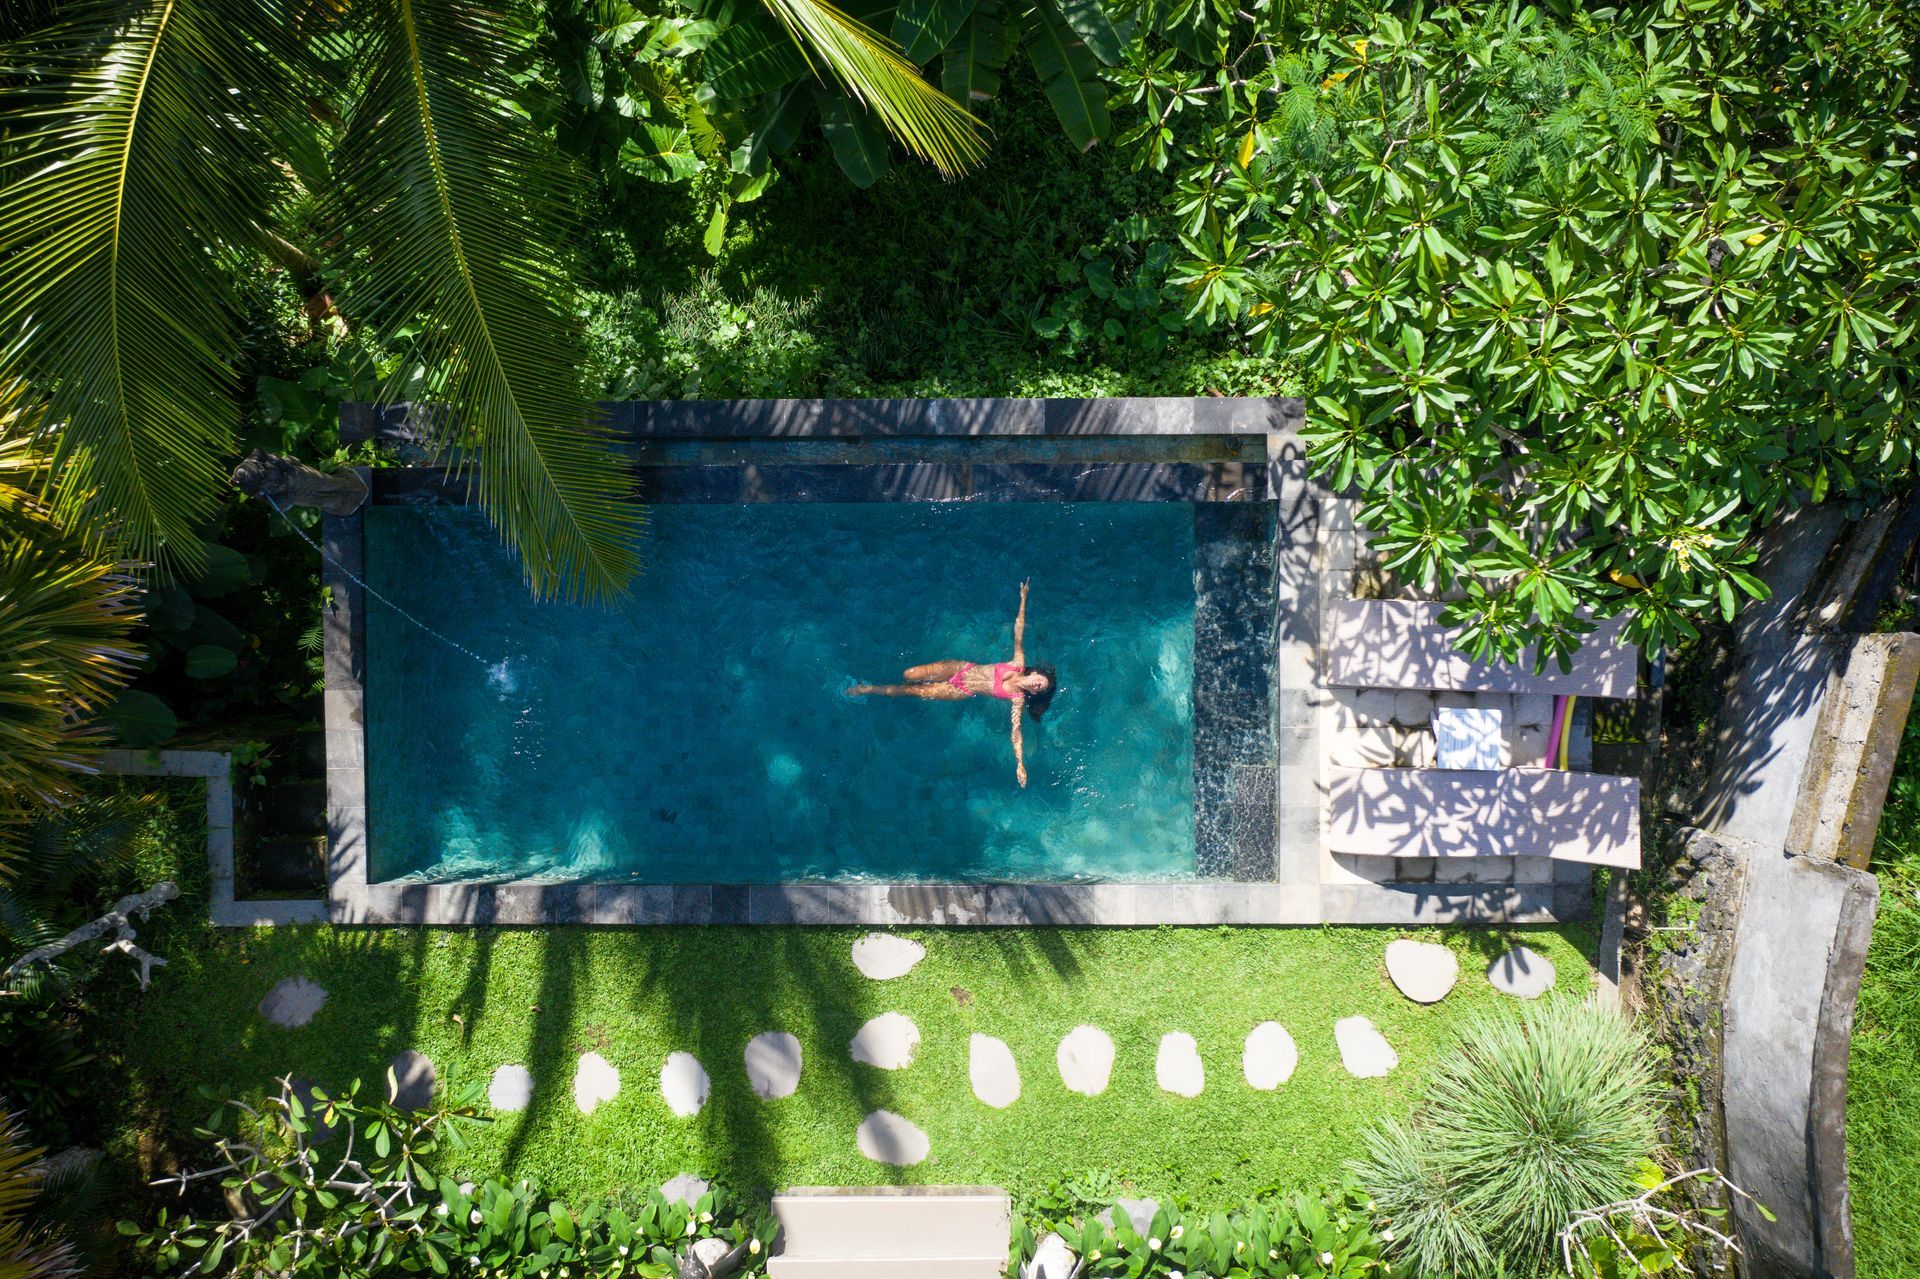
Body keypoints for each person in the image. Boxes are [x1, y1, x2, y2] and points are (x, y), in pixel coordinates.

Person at [846, 580, 1057, 786]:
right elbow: (1018, 631)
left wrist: (1020, 763)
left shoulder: (1017, 698)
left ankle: (870, 689)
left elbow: (1016, 730)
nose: (1038, 684)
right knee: (909, 673)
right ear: (1035, 673)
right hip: (961, 668)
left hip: (960, 689)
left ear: (1035, 692)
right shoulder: (1017, 663)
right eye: (1040, 680)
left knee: (911, 690)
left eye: (1041, 688)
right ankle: (882, 671)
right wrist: (1023, 598)